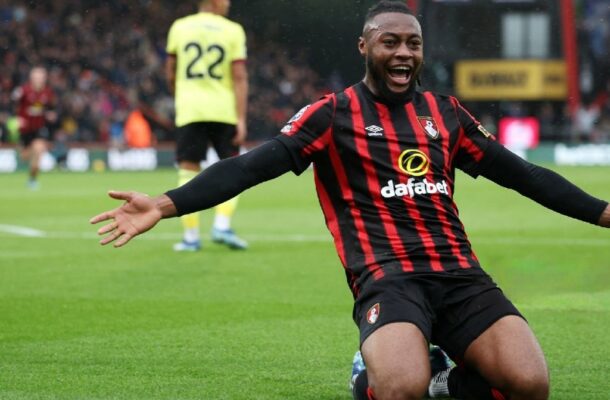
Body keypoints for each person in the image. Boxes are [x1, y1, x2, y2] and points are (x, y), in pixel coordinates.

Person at [91, 2, 610, 399]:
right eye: (390, 42)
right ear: (364, 46)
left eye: (413, 43)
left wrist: (604, 212)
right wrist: (164, 204)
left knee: (531, 384)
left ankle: (444, 384)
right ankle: (372, 375)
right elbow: (251, 166)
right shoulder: (331, 114)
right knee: (398, 389)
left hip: (460, 275)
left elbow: (524, 175)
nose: (403, 53)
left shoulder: (445, 112)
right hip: (387, 276)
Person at [165, 0, 249, 251]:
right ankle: (222, 225)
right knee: (235, 169)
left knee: (188, 170)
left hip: (190, 110)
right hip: (224, 110)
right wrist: (242, 118)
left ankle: (191, 237)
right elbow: (239, 77)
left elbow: (170, 71)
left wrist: (182, 95)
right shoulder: (233, 30)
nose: (229, 3)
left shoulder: (179, 27)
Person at [12, 65, 57, 189]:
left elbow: (51, 108)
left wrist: (51, 115)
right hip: (24, 130)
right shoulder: (23, 91)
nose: (39, 79)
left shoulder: (48, 92)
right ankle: (29, 156)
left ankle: (32, 180)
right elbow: (12, 105)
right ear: (31, 77)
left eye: (41, 76)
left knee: (39, 149)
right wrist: (17, 118)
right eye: (36, 76)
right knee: (24, 157)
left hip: (38, 129)